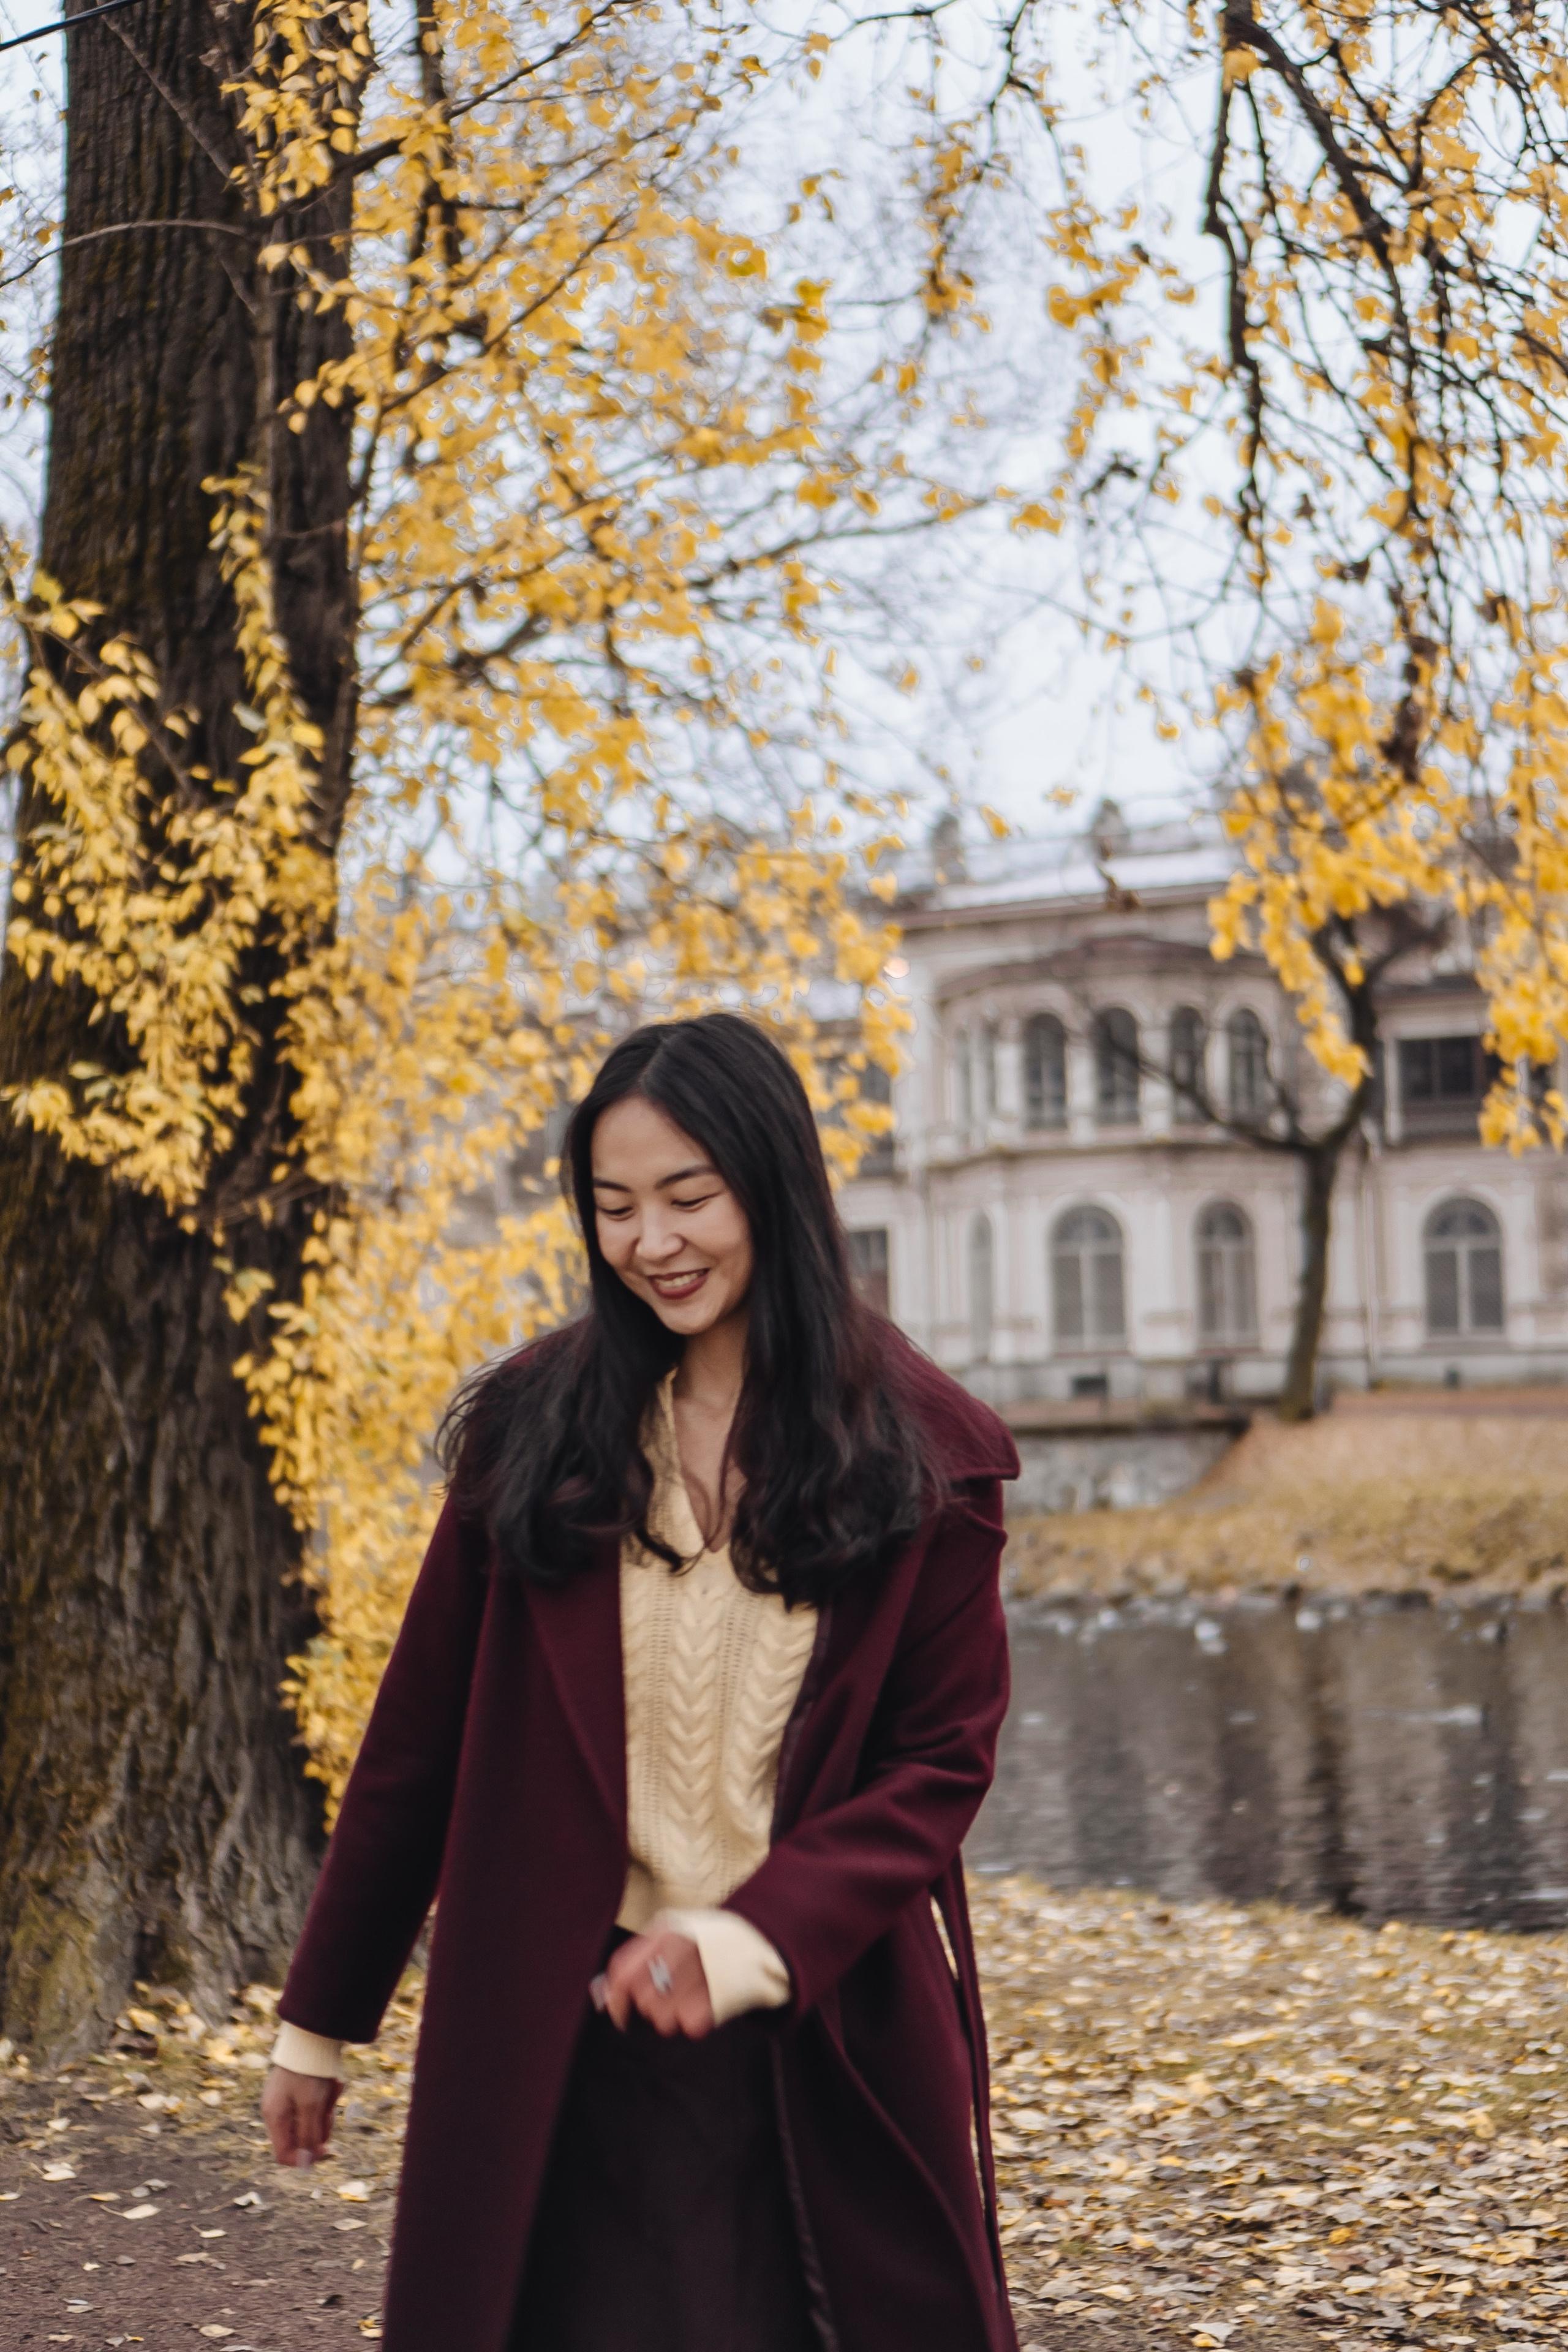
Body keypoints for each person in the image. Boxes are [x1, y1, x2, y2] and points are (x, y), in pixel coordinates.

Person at [260, 1012, 1021, 2352]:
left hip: (820, 2029)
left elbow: (937, 1765)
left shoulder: (924, 1458)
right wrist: (320, 2018)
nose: (649, 1242)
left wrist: (749, 1935)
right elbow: (415, 1744)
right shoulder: (536, 1432)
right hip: (563, 2037)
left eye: (687, 1196)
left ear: (771, 1187)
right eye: (613, 1208)